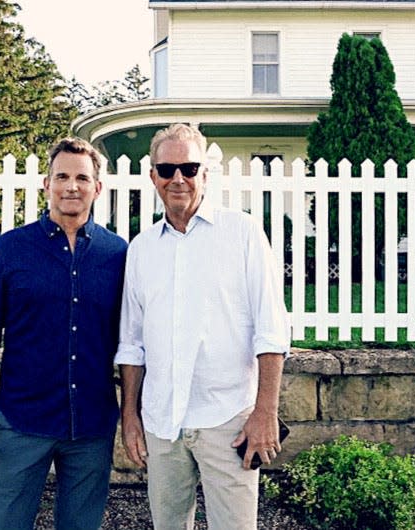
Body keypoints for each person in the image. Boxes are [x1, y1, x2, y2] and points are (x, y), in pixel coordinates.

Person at [115, 123, 291, 530]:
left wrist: (265, 411)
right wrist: (130, 416)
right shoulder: (141, 249)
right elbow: (132, 344)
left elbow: (272, 330)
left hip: (228, 418)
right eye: (168, 169)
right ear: (153, 175)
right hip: (162, 422)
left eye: (190, 168)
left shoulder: (243, 234)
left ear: (205, 174)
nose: (178, 178)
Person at [0, 137, 127, 530]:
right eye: (61, 176)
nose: (71, 186)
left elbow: (133, 341)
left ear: (97, 188)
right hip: (22, 421)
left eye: (82, 177)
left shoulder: (118, 254)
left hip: (91, 428)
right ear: (46, 185)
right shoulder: (13, 248)